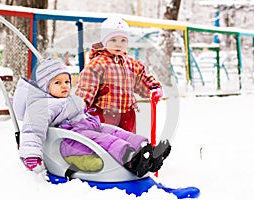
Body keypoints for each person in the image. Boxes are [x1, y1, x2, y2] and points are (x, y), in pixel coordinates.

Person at [13, 58, 171, 177]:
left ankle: (145, 150)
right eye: (57, 82)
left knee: (115, 132)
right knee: (104, 140)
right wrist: (31, 155)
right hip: (69, 141)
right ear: (44, 86)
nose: (64, 86)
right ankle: (130, 158)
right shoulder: (41, 105)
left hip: (84, 127)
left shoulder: (65, 99)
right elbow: (33, 129)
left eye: (67, 81)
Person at [75, 17, 163, 133]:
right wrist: (79, 109)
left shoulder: (131, 63)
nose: (118, 44)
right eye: (113, 40)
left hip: (128, 115)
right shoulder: (97, 64)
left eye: (123, 40)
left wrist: (154, 87)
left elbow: (142, 77)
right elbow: (86, 88)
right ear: (104, 42)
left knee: (129, 142)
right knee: (110, 144)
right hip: (105, 113)